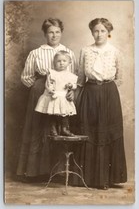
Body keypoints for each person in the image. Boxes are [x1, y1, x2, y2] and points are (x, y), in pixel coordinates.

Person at [16, 18, 77, 182]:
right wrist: (39, 87)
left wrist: (70, 91)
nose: (54, 35)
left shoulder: (68, 52)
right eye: (51, 32)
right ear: (45, 33)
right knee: (38, 127)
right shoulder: (36, 53)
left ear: (61, 33)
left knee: (57, 127)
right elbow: (26, 77)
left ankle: (57, 172)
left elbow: (72, 76)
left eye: (57, 32)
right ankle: (33, 172)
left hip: (61, 93)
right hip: (42, 92)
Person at [76, 18, 127, 189]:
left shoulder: (115, 52)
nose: (99, 34)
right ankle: (89, 178)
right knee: (90, 131)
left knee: (107, 132)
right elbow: (81, 78)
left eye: (103, 31)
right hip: (89, 93)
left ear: (108, 33)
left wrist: (105, 89)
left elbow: (119, 78)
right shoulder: (85, 51)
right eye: (96, 31)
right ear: (91, 32)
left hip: (109, 94)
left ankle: (107, 178)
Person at [35, 50, 78, 136]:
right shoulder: (52, 73)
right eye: (58, 61)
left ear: (69, 63)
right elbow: (48, 84)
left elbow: (74, 85)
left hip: (63, 97)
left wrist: (71, 86)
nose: (61, 63)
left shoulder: (70, 75)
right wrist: (50, 90)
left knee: (64, 114)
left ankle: (64, 129)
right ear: (54, 62)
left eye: (64, 61)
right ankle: (53, 128)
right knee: (53, 113)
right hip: (53, 96)